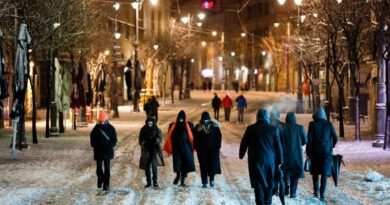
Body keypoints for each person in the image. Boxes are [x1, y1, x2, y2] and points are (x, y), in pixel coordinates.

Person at [239, 109, 283, 205]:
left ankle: (259, 202)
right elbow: (278, 147)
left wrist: (241, 155)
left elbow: (244, 143)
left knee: (258, 182)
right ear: (267, 117)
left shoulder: (250, 129)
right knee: (269, 181)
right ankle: (268, 201)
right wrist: (280, 162)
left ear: (257, 117)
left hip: (255, 161)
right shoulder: (273, 129)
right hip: (270, 161)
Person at [306, 107, 338, 202]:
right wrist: (331, 146)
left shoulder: (312, 125)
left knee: (315, 173)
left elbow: (309, 140)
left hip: (315, 152)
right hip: (326, 153)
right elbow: (335, 138)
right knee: (324, 174)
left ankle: (316, 193)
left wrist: (308, 153)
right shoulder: (329, 125)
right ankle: (322, 194)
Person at [163, 110, 196, 186]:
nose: (180, 120)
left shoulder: (190, 125)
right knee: (177, 163)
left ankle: (182, 180)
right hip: (176, 148)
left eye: (182, 118)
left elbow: (194, 136)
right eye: (179, 118)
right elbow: (169, 136)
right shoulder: (172, 125)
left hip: (186, 148)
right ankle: (178, 175)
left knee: (185, 164)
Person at [281, 112, 307, 198]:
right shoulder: (300, 128)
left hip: (285, 154)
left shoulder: (282, 128)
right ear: (295, 119)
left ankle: (286, 184)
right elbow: (305, 141)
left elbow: (279, 141)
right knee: (295, 173)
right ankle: (293, 193)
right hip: (297, 155)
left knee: (285, 171)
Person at [90, 111, 117, 192]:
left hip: (107, 151)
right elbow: (92, 139)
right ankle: (101, 179)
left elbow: (114, 140)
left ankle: (106, 185)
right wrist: (96, 145)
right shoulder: (96, 128)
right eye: (100, 121)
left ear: (106, 120)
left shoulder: (111, 128)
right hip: (98, 151)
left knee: (107, 169)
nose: (102, 123)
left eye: (103, 121)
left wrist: (110, 146)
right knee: (98, 169)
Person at [194, 112, 222, 188]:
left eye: (207, 119)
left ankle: (212, 179)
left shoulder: (214, 127)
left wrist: (217, 147)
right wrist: (197, 148)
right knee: (203, 166)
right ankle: (204, 182)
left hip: (212, 150)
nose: (205, 121)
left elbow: (218, 137)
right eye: (204, 119)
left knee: (212, 165)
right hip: (202, 151)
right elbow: (195, 139)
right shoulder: (198, 127)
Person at [139, 117, 164, 188]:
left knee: (154, 167)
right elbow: (140, 139)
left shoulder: (157, 129)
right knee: (147, 167)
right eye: (148, 123)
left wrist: (155, 141)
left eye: (151, 123)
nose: (149, 124)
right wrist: (144, 143)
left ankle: (155, 181)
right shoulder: (143, 129)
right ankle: (149, 182)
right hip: (146, 151)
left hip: (154, 151)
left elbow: (160, 138)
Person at [270, 105, 285, 196]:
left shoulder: (268, 125)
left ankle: (273, 188)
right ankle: (277, 188)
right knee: (278, 170)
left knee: (272, 171)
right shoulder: (282, 126)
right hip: (280, 151)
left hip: (270, 151)